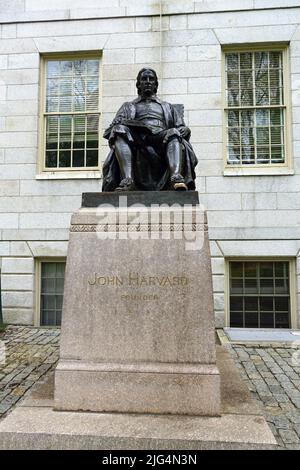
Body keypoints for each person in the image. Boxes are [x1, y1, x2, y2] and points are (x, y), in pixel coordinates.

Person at [102, 68, 198, 192]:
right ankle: (128, 180)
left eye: (151, 79)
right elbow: (111, 131)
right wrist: (117, 124)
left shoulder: (167, 106)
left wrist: (186, 129)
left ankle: (176, 178)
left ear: (156, 84)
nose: (147, 82)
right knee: (119, 129)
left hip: (160, 137)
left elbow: (180, 126)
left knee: (173, 132)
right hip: (136, 139)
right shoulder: (128, 106)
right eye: (144, 79)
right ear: (138, 84)